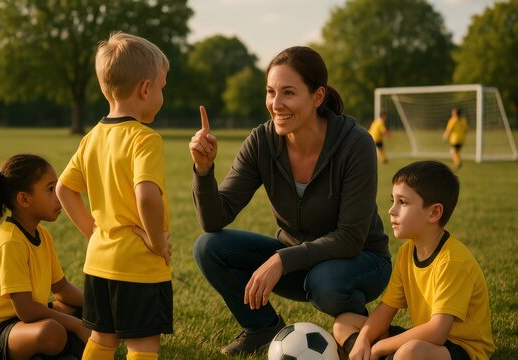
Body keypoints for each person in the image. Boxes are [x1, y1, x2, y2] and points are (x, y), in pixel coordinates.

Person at [189, 46, 392, 356]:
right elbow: (215, 219)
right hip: (299, 263)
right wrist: (203, 171)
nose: (276, 104)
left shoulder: (356, 143)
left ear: (318, 97)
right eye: (271, 92)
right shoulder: (261, 141)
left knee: (325, 282)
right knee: (209, 247)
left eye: (288, 93)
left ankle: (361, 332)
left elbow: (351, 238)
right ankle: (262, 328)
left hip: (361, 261)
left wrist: (282, 260)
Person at [56, 32, 172, 360]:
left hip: (98, 263)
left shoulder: (92, 136)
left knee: (102, 339)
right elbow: (147, 196)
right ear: (145, 89)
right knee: (143, 345)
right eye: (162, 87)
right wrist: (155, 242)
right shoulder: (144, 139)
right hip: (138, 265)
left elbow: (65, 190)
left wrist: (93, 234)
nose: (162, 95)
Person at [333, 160, 495, 360]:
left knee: (409, 353)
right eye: (393, 200)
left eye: (403, 202)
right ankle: (364, 355)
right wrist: (363, 339)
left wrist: (381, 346)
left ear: (434, 213)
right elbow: (386, 310)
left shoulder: (452, 261)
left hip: (461, 349)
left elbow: (438, 331)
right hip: (423, 339)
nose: (392, 210)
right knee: (344, 322)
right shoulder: (406, 252)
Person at [0, 154, 89, 359]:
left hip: (24, 322)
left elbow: (61, 289)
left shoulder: (43, 235)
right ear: (24, 199)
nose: (58, 196)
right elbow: (27, 310)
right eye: (50, 189)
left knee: (85, 312)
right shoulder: (9, 241)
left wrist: (99, 306)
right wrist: (77, 326)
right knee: (51, 332)